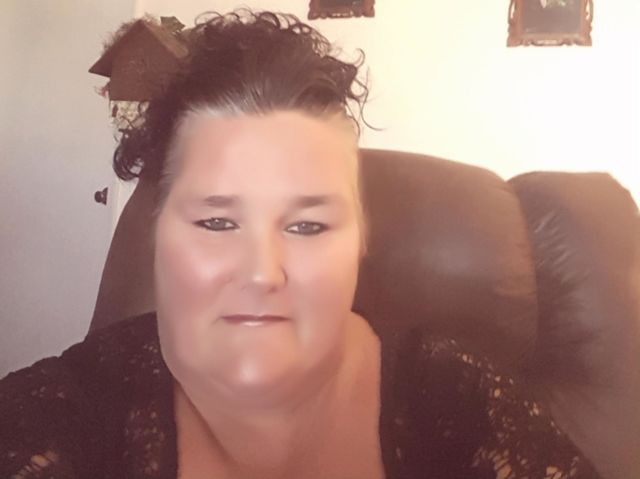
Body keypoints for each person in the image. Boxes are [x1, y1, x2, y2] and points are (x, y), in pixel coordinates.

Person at [0, 10, 601, 479]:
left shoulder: (459, 404)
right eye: (217, 223)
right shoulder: (66, 413)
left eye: (307, 226)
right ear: (155, 235)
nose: (263, 273)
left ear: (361, 237)